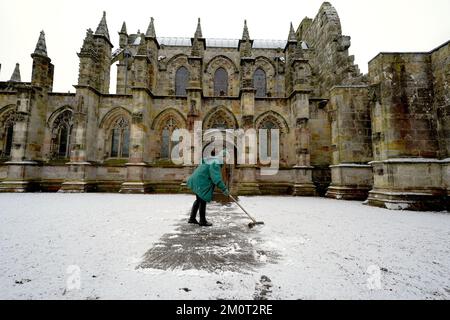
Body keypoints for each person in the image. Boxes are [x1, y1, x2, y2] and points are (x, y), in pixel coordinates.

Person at [186, 150, 230, 227]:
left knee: (199, 200)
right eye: (227, 158)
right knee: (202, 200)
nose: (227, 160)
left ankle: (192, 218)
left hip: (197, 180)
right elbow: (216, 178)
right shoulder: (216, 163)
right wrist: (224, 188)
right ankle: (202, 221)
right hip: (200, 181)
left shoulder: (212, 160)